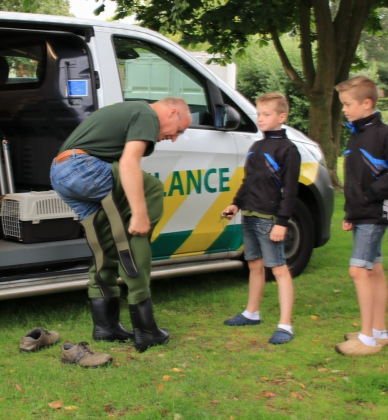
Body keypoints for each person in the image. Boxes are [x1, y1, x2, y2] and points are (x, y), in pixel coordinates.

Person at [50, 97, 192, 352]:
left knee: (105, 244)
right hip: (84, 168)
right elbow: (128, 164)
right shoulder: (147, 115)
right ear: (172, 113)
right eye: (178, 131)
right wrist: (139, 214)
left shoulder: (129, 110)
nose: (173, 138)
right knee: (148, 195)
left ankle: (106, 327)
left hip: (61, 172)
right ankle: (145, 330)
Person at [334, 76, 388, 356]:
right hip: (362, 213)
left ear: (367, 103)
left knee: (359, 271)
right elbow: (355, 179)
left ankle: (366, 339)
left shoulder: (385, 135)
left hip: (375, 212)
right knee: (374, 270)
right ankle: (379, 331)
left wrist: (370, 196)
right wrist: (350, 212)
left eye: (347, 104)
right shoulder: (356, 134)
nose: (344, 109)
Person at [221, 93, 300, 345]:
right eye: (259, 113)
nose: (260, 118)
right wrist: (236, 203)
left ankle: (285, 325)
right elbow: (248, 181)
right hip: (250, 214)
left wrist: (282, 222)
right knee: (254, 264)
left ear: (282, 117)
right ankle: (251, 313)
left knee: (278, 269)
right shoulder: (256, 146)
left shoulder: (288, 150)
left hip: (270, 219)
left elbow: (290, 190)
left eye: (266, 114)